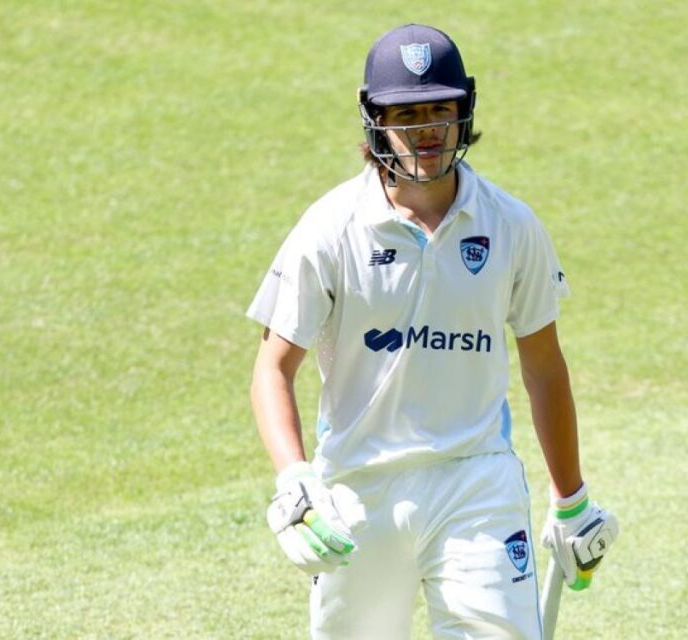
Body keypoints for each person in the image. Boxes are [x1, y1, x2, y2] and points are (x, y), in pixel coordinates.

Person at [247, 23, 618, 639]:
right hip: (359, 490)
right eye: (407, 114)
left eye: (440, 110)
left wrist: (571, 499)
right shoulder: (330, 228)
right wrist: (295, 480)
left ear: (463, 113)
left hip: (476, 481)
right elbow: (272, 369)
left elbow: (544, 368)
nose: (426, 129)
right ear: (375, 121)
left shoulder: (511, 224)